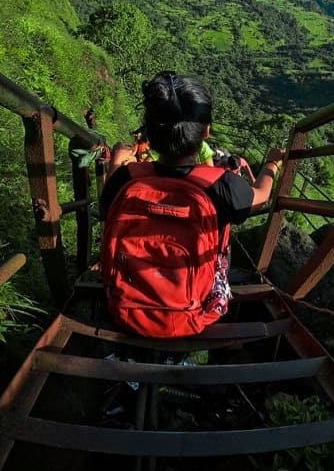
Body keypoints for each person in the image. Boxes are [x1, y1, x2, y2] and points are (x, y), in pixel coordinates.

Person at [99, 71, 285, 331]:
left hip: (123, 308)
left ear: (149, 133)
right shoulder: (221, 185)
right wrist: (272, 164)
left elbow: (105, 206)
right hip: (192, 314)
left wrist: (117, 161)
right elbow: (261, 196)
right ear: (206, 130)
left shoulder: (127, 178)